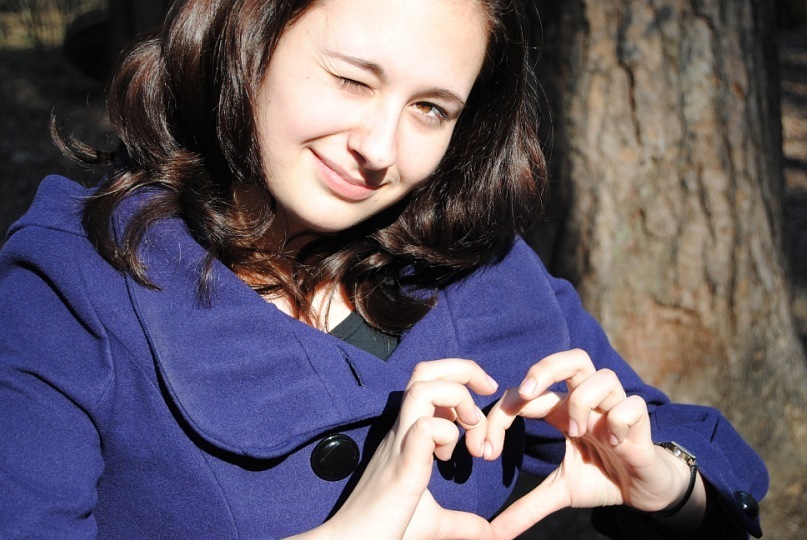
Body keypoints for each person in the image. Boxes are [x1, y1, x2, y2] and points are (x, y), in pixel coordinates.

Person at [0, 0, 767, 538]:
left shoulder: (468, 263)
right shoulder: (76, 283)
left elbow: (683, 441)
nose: (378, 148)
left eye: (430, 108)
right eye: (351, 79)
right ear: (246, 35)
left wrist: (665, 487)